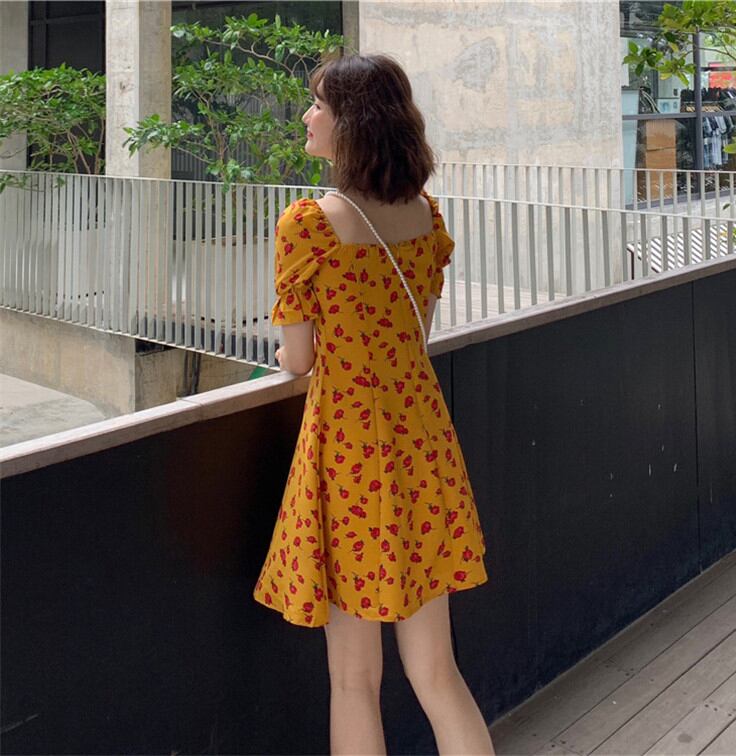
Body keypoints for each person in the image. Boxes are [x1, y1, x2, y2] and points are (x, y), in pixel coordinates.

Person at [252, 52, 493, 756]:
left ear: (351, 123)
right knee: (437, 673)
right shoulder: (424, 216)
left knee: (354, 679)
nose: (308, 115)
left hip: (352, 455)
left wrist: (285, 358)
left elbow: (299, 359)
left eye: (318, 104)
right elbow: (416, 334)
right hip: (424, 444)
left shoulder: (310, 224)